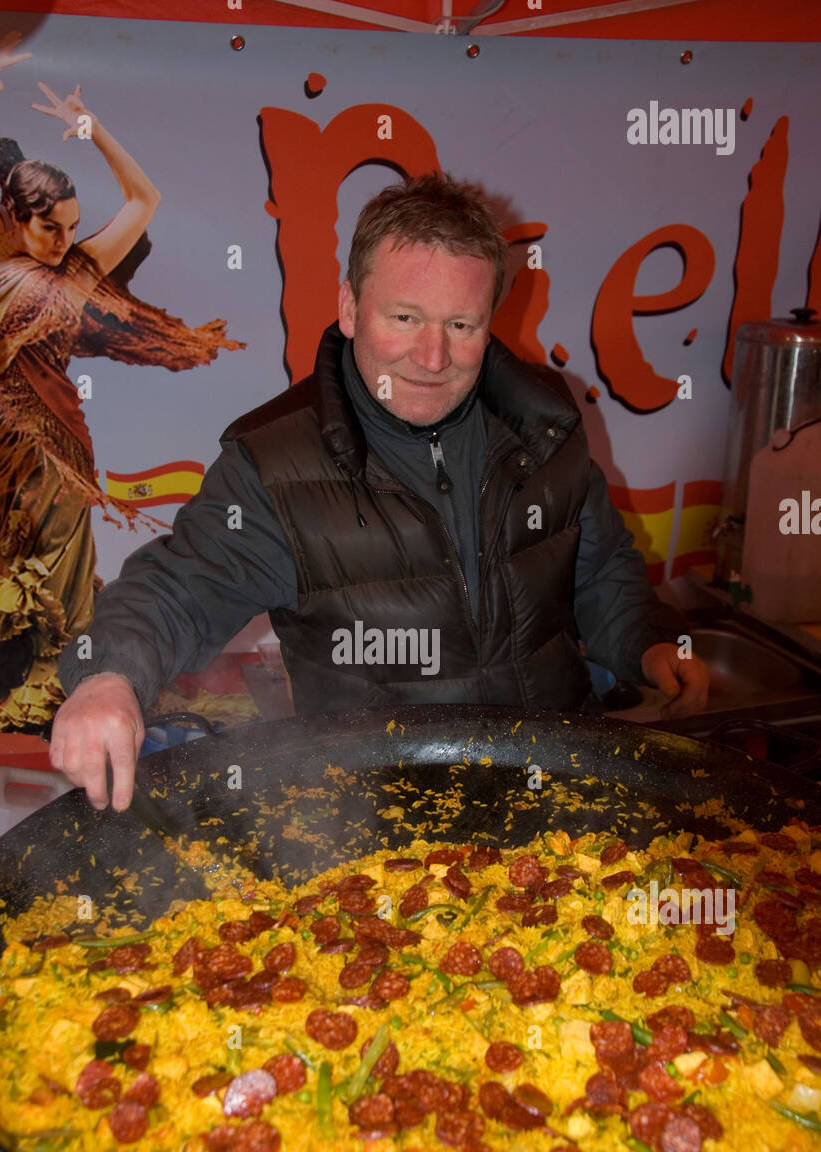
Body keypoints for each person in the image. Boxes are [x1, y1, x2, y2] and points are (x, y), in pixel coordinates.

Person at [51, 171, 708, 810]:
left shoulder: (546, 425)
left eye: (461, 326)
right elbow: (176, 590)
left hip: (556, 796)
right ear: (349, 307)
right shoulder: (275, 466)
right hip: (372, 823)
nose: (432, 357)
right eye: (404, 317)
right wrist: (109, 679)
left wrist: (653, 644)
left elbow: (600, 574)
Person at [0, 32, 242, 732]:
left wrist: (96, 126)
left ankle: (61, 690)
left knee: (60, 562)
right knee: (27, 558)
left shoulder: (78, 265)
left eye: (71, 227)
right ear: (16, 215)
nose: (62, 241)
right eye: (50, 228)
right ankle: (43, 690)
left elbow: (145, 199)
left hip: (54, 440)